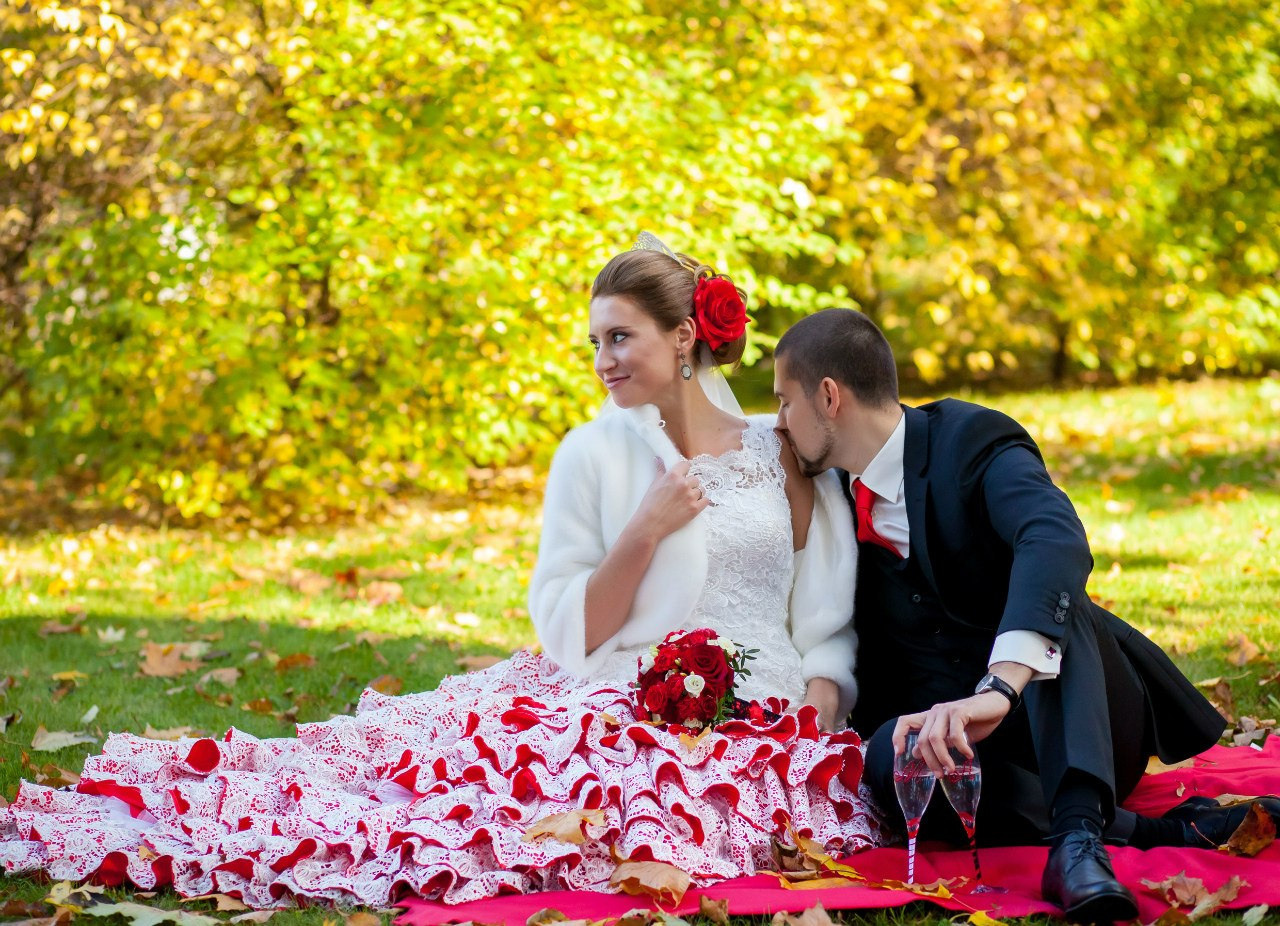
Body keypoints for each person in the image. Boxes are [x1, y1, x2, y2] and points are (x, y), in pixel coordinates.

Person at [0, 240, 880, 907]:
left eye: (622, 337)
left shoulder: (781, 451)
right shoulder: (595, 457)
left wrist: (819, 703)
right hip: (622, 692)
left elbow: (827, 618)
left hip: (768, 721)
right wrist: (641, 536)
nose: (604, 358)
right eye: (594, 342)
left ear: (686, 335)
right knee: (452, 813)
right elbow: (572, 631)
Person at [772, 308, 1278, 924]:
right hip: (975, 756)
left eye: (783, 403)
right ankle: (1142, 831)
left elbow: (1054, 535)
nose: (777, 423)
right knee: (887, 757)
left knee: (1057, 603)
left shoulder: (970, 439)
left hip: (1077, 718)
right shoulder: (829, 494)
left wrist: (1001, 686)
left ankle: (1078, 842)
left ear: (829, 396)